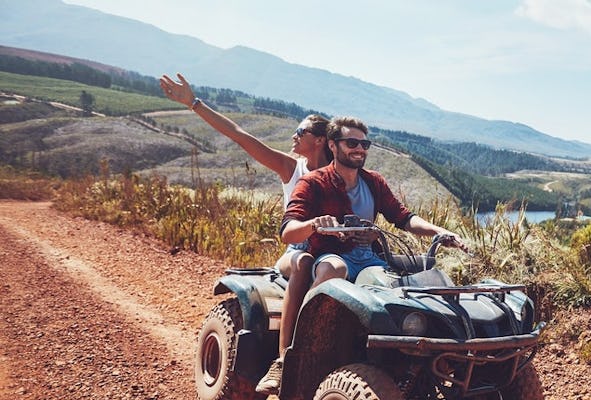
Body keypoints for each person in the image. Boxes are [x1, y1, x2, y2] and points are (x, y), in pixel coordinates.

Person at [255, 116, 466, 395]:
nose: (360, 149)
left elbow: (403, 218)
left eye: (364, 144)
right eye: (352, 142)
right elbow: (288, 230)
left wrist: (439, 231)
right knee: (333, 269)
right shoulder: (313, 182)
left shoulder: (373, 182)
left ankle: (408, 355)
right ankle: (297, 348)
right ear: (333, 145)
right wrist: (314, 224)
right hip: (328, 254)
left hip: (369, 259)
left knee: (396, 287)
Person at [158, 73, 333, 391]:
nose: (293, 136)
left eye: (300, 131)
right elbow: (241, 136)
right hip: (298, 252)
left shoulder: (340, 176)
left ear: (319, 140)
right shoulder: (292, 169)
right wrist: (194, 103)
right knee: (304, 261)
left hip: (334, 255)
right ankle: (284, 361)